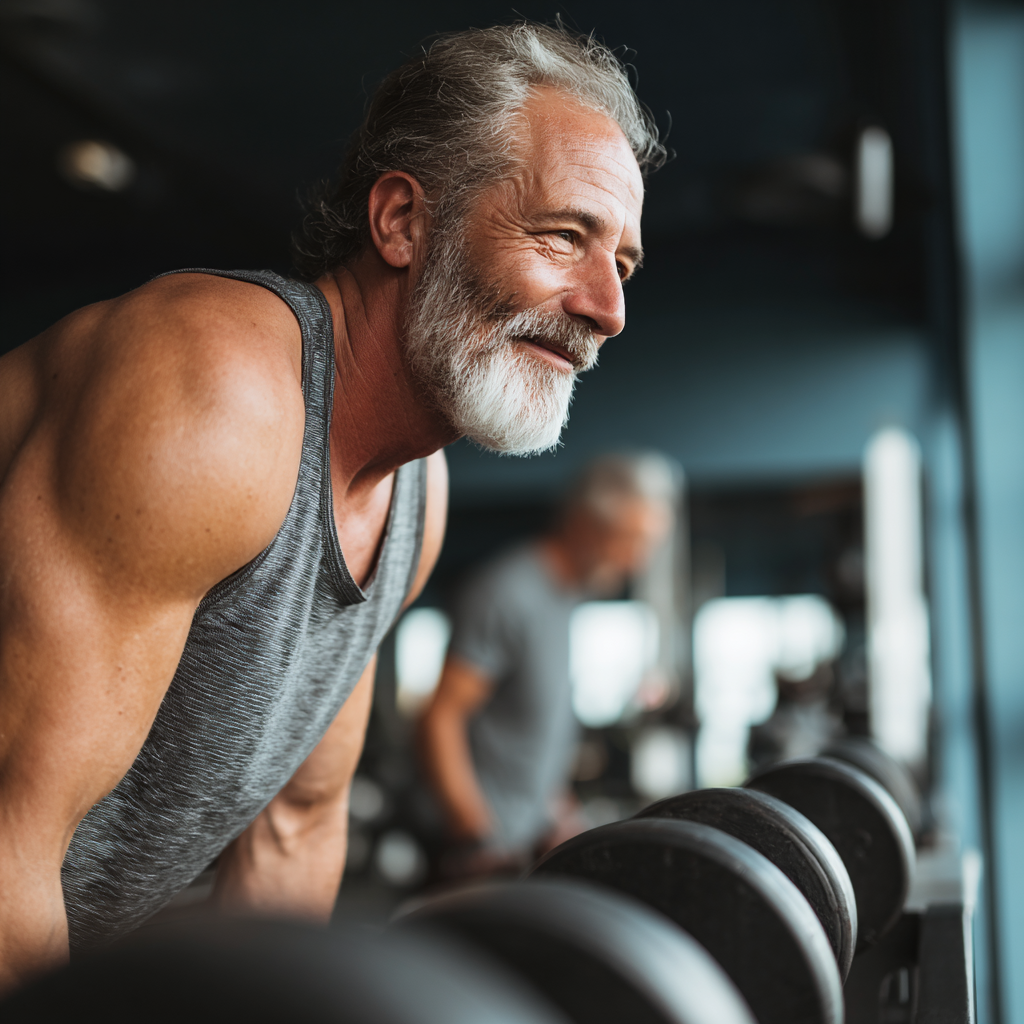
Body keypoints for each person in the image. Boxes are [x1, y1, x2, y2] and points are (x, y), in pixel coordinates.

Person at [0, 23, 665, 991]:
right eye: (564, 235)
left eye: (624, 264)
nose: (607, 307)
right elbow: (10, 829)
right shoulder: (212, 389)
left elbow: (293, 830)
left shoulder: (412, 497)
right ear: (401, 221)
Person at [418, 454, 675, 876]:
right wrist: (475, 836)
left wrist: (559, 812)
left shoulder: (566, 598)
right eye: (629, 540)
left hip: (526, 843)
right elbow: (440, 719)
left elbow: (527, 734)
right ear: (584, 524)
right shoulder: (508, 594)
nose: (637, 562)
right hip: (481, 855)